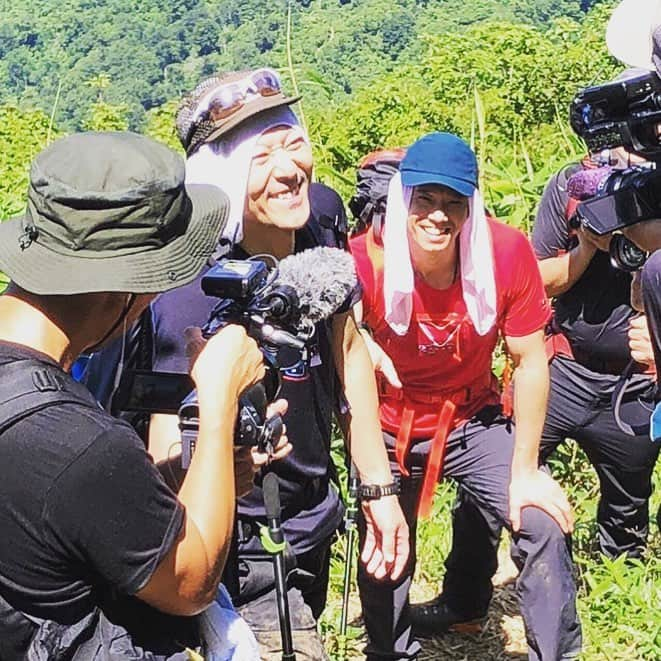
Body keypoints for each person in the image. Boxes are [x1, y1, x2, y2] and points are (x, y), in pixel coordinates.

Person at [141, 68, 409, 660]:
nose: (289, 170)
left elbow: (347, 348)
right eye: (260, 157)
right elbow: (162, 439)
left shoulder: (321, 219)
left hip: (314, 511)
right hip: (241, 545)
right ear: (220, 177)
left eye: (294, 143)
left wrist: (377, 487)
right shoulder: (188, 285)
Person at [0, 131, 291, 659]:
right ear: (123, 287)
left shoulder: (35, 412)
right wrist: (219, 395)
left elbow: (54, 518)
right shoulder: (77, 441)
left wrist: (187, 477)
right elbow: (190, 583)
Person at [350, 132, 581, 661]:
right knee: (384, 542)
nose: (439, 217)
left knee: (541, 520)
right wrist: (374, 483)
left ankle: (558, 654)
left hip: (470, 418)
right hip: (387, 420)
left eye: (455, 203)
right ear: (401, 199)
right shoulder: (366, 261)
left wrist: (525, 471)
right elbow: (346, 359)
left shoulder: (504, 253)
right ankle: (389, 650)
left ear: (471, 206)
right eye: (424, 200)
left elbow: (529, 360)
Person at [531, 152, 660, 558]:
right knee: (506, 466)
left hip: (637, 381)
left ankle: (618, 579)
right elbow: (534, 280)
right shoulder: (575, 185)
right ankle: (468, 593)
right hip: (566, 367)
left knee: (627, 507)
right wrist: (586, 244)